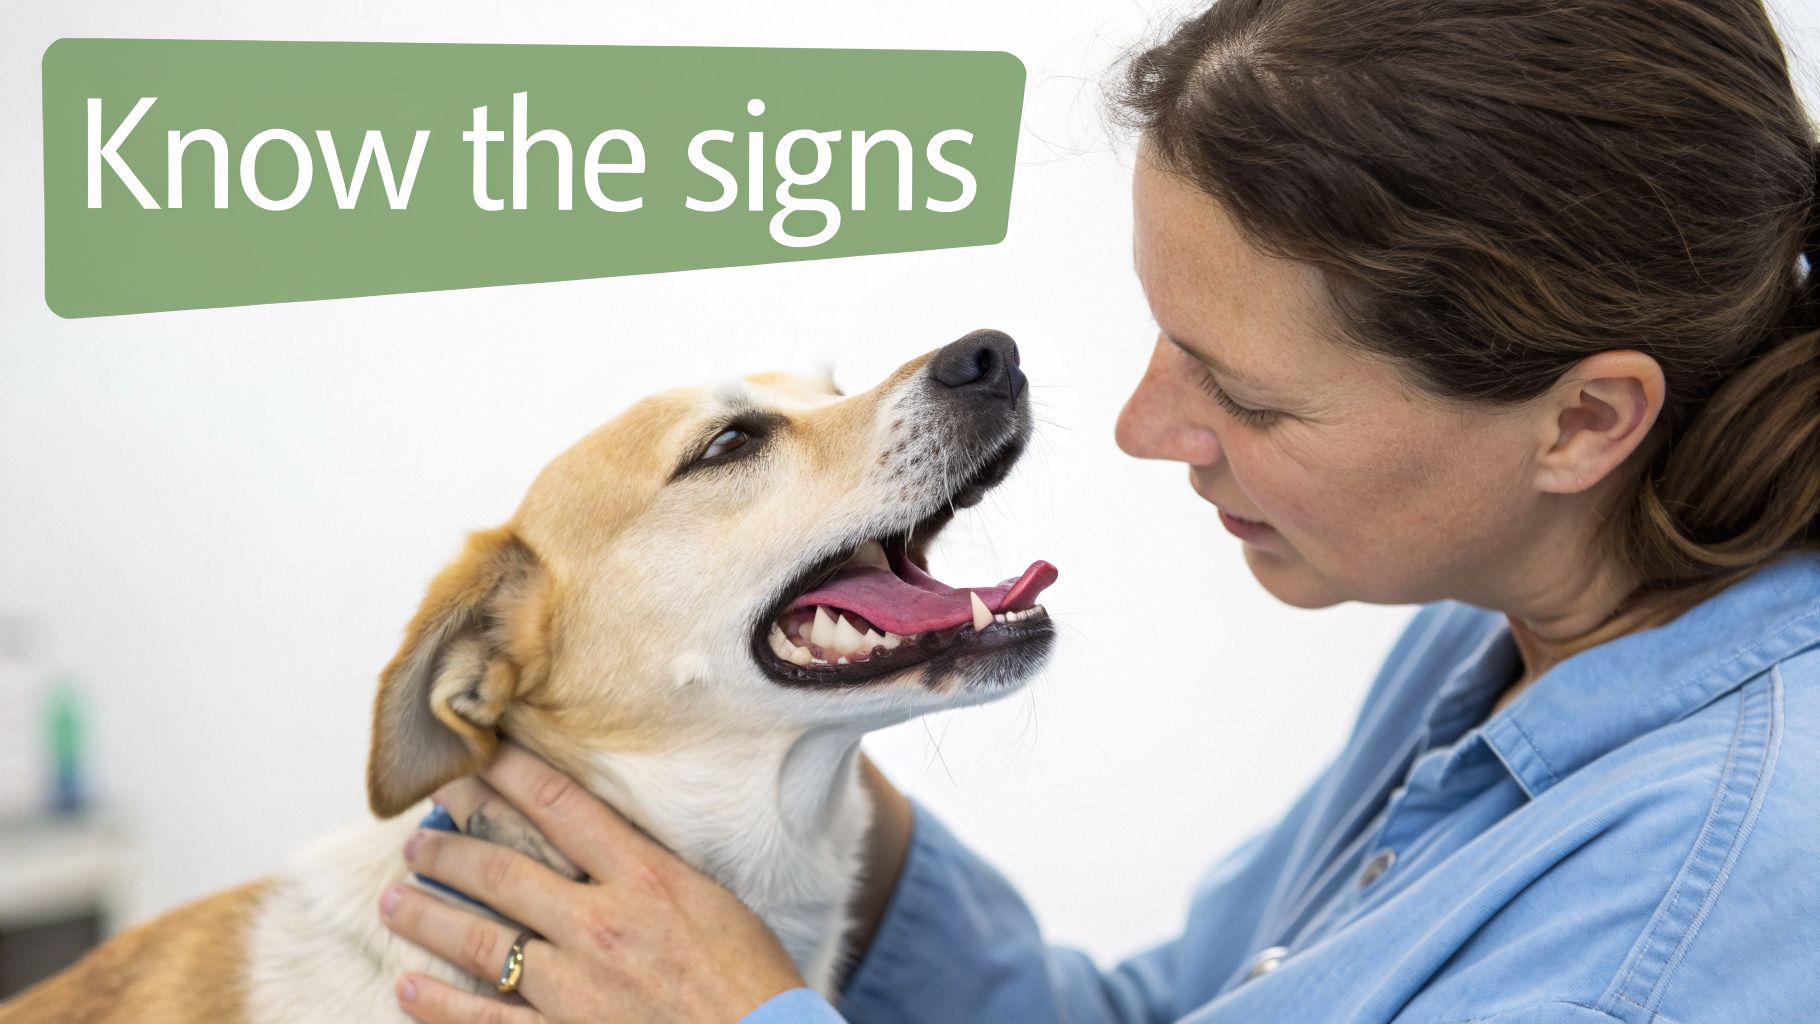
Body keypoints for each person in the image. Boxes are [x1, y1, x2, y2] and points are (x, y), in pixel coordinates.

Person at [372, 0, 1820, 1020]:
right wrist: (805, 835)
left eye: (1244, 394)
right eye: (1161, 338)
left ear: (1584, 419)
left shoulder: (1712, 892)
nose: (1140, 429)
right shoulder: (1507, 646)